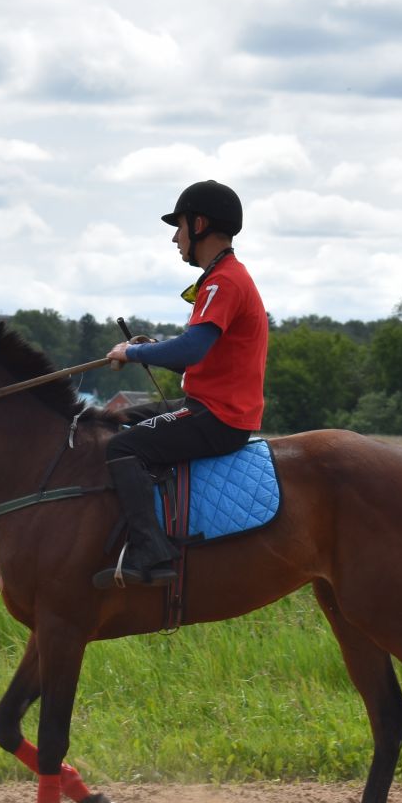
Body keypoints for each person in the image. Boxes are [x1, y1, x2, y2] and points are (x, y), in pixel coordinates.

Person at [96, 179, 268, 588]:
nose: (175, 237)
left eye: (179, 226)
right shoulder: (221, 278)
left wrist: (133, 353)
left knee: (122, 446)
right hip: (208, 406)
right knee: (108, 421)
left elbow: (191, 349)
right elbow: (202, 355)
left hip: (218, 418)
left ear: (201, 224)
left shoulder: (223, 281)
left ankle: (150, 550)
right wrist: (151, 347)